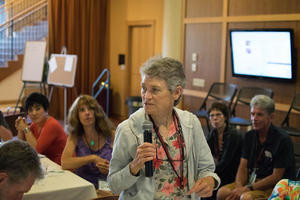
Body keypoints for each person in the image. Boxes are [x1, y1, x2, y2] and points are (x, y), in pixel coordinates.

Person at [108, 57, 220, 200]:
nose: (146, 96)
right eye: (144, 88)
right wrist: (134, 166)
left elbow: (206, 169)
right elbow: (113, 184)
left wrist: (209, 180)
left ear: (176, 92)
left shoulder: (191, 123)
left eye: (155, 90)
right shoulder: (127, 129)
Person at [217, 95, 295, 200]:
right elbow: (243, 167)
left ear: (271, 117)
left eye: (259, 115)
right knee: (222, 192)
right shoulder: (249, 136)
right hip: (253, 181)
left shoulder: (282, 140)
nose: (254, 118)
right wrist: (239, 187)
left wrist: (248, 188)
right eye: (252, 114)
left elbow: (276, 177)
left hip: (276, 186)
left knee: (246, 197)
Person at [61, 95, 115, 189]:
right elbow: (65, 162)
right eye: (82, 110)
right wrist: (92, 158)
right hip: (83, 187)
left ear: (96, 112)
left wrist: (111, 169)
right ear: (76, 116)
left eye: (90, 109)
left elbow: (125, 164)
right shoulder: (75, 135)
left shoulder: (111, 134)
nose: (87, 113)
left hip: (108, 188)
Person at [15, 92, 67, 165]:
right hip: (48, 164)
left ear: (46, 110)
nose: (34, 113)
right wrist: (21, 129)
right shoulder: (35, 124)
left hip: (61, 166)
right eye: (30, 110)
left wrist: (26, 128)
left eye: (38, 109)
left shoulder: (52, 124)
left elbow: (36, 150)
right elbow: (22, 146)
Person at [205, 102, 243, 199]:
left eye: (218, 115)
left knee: (208, 187)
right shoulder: (213, 133)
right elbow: (204, 153)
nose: (215, 118)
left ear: (225, 117)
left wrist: (210, 174)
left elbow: (226, 162)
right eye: (212, 115)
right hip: (220, 170)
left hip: (233, 174)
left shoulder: (234, 135)